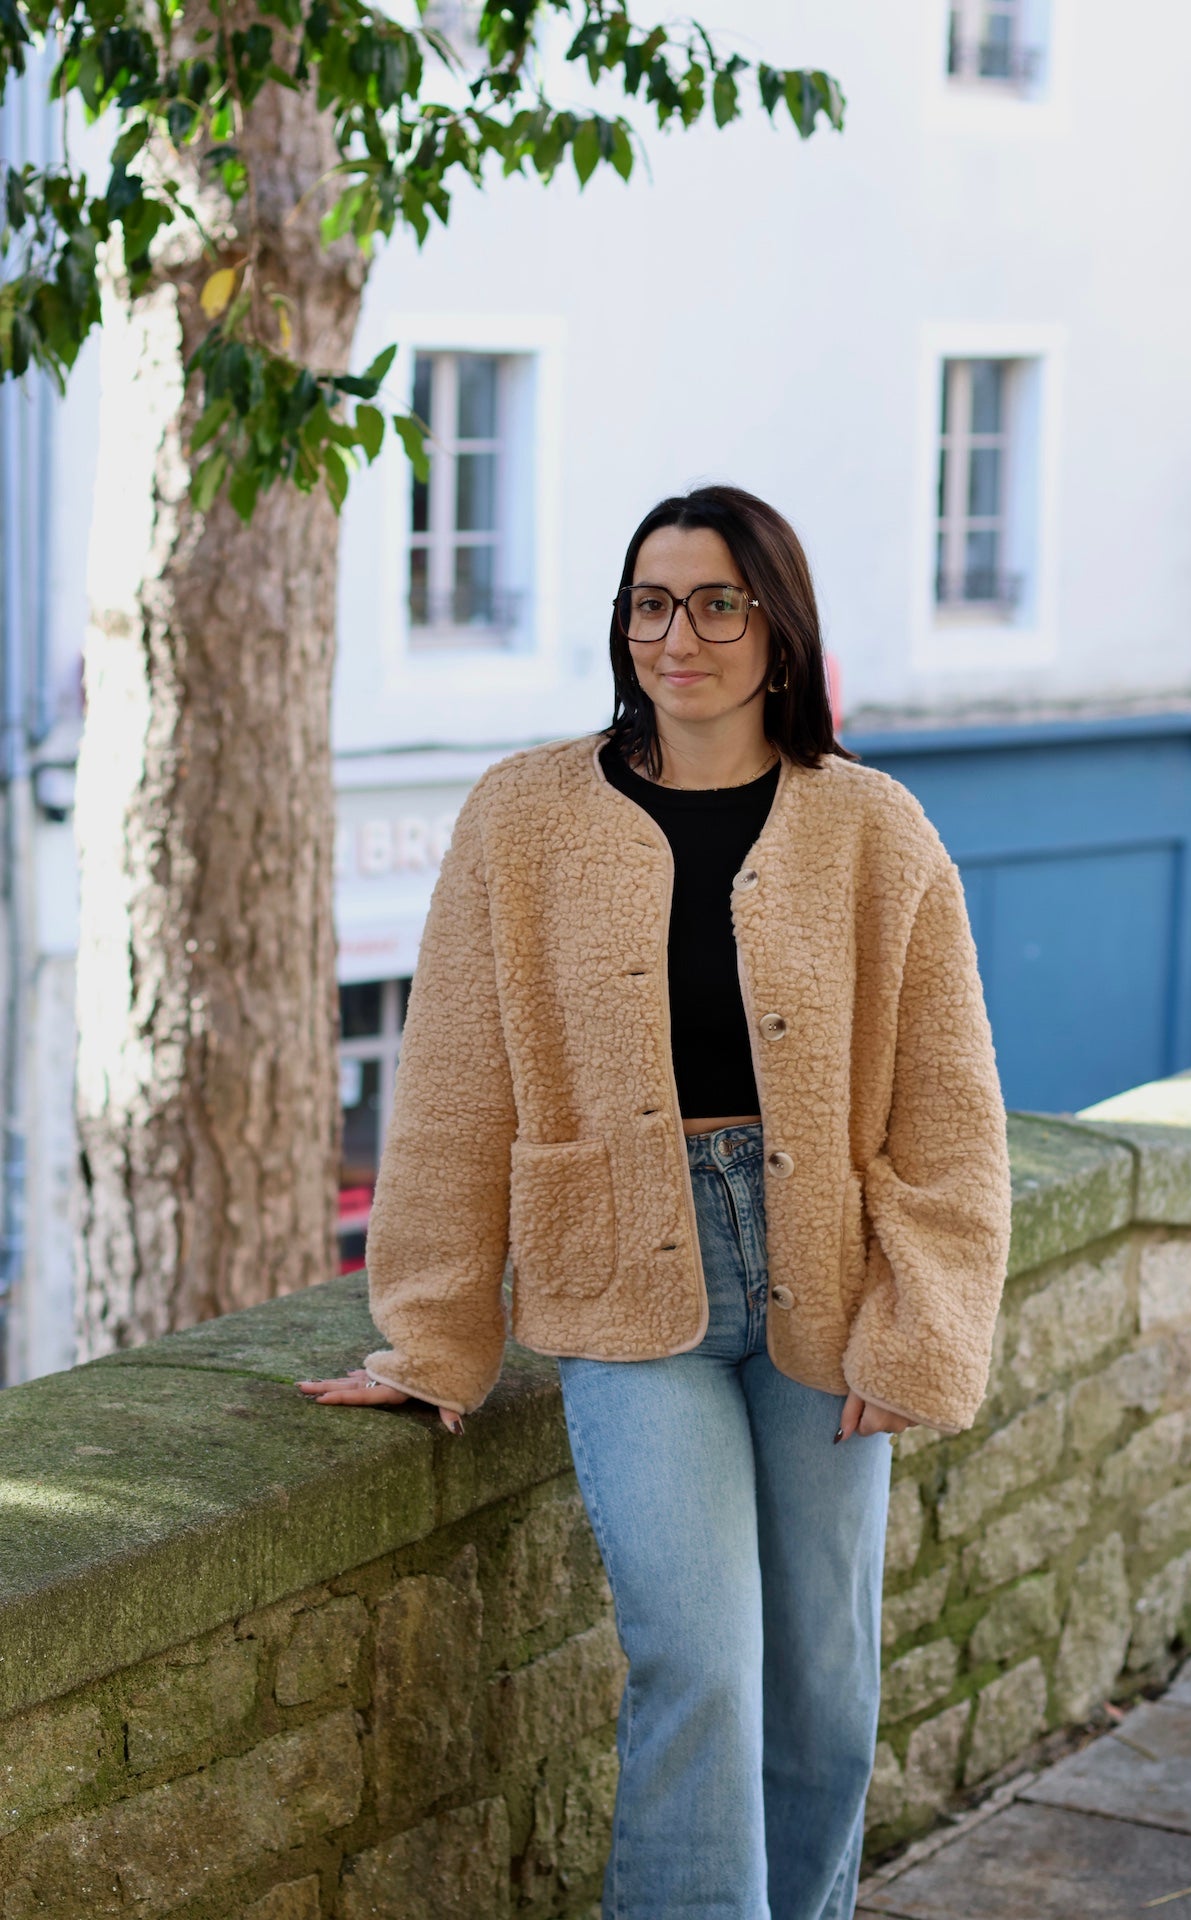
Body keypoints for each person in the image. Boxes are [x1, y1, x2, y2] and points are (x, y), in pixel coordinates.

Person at [298, 484, 1012, 1920]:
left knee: (821, 1687)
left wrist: (920, 1323)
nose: (675, 635)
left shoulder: (876, 829)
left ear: (778, 629)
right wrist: (432, 1339)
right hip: (625, 1278)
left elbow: (950, 1110)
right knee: (700, 1662)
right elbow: (448, 1089)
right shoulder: (526, 815)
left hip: (824, 1277)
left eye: (714, 603)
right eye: (649, 603)